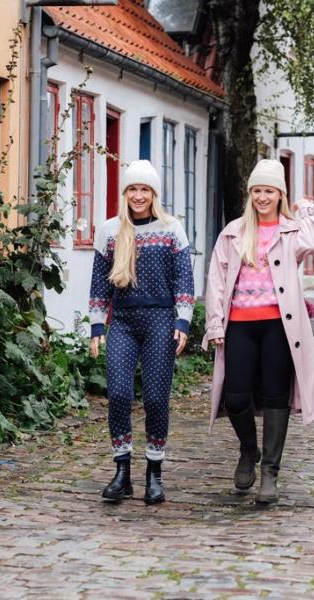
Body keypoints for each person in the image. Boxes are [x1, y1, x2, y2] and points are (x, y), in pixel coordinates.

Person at [203, 159, 314, 504]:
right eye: (257, 191)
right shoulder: (233, 232)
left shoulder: (291, 231)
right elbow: (215, 280)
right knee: (236, 396)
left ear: (280, 195)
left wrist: (306, 209)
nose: (262, 197)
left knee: (276, 396)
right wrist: (215, 323)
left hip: (280, 327)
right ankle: (248, 450)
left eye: (269, 191)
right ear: (250, 194)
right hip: (240, 325)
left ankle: (270, 473)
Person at [89, 159, 195, 505]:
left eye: (144, 190)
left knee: (154, 398)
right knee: (118, 393)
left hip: (160, 322)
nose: (138, 196)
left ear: (154, 194)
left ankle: (154, 473)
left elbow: (183, 279)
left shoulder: (170, 229)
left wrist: (182, 321)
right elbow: (99, 286)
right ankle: (122, 473)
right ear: (125, 194)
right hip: (123, 322)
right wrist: (96, 325)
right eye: (132, 189)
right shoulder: (109, 231)